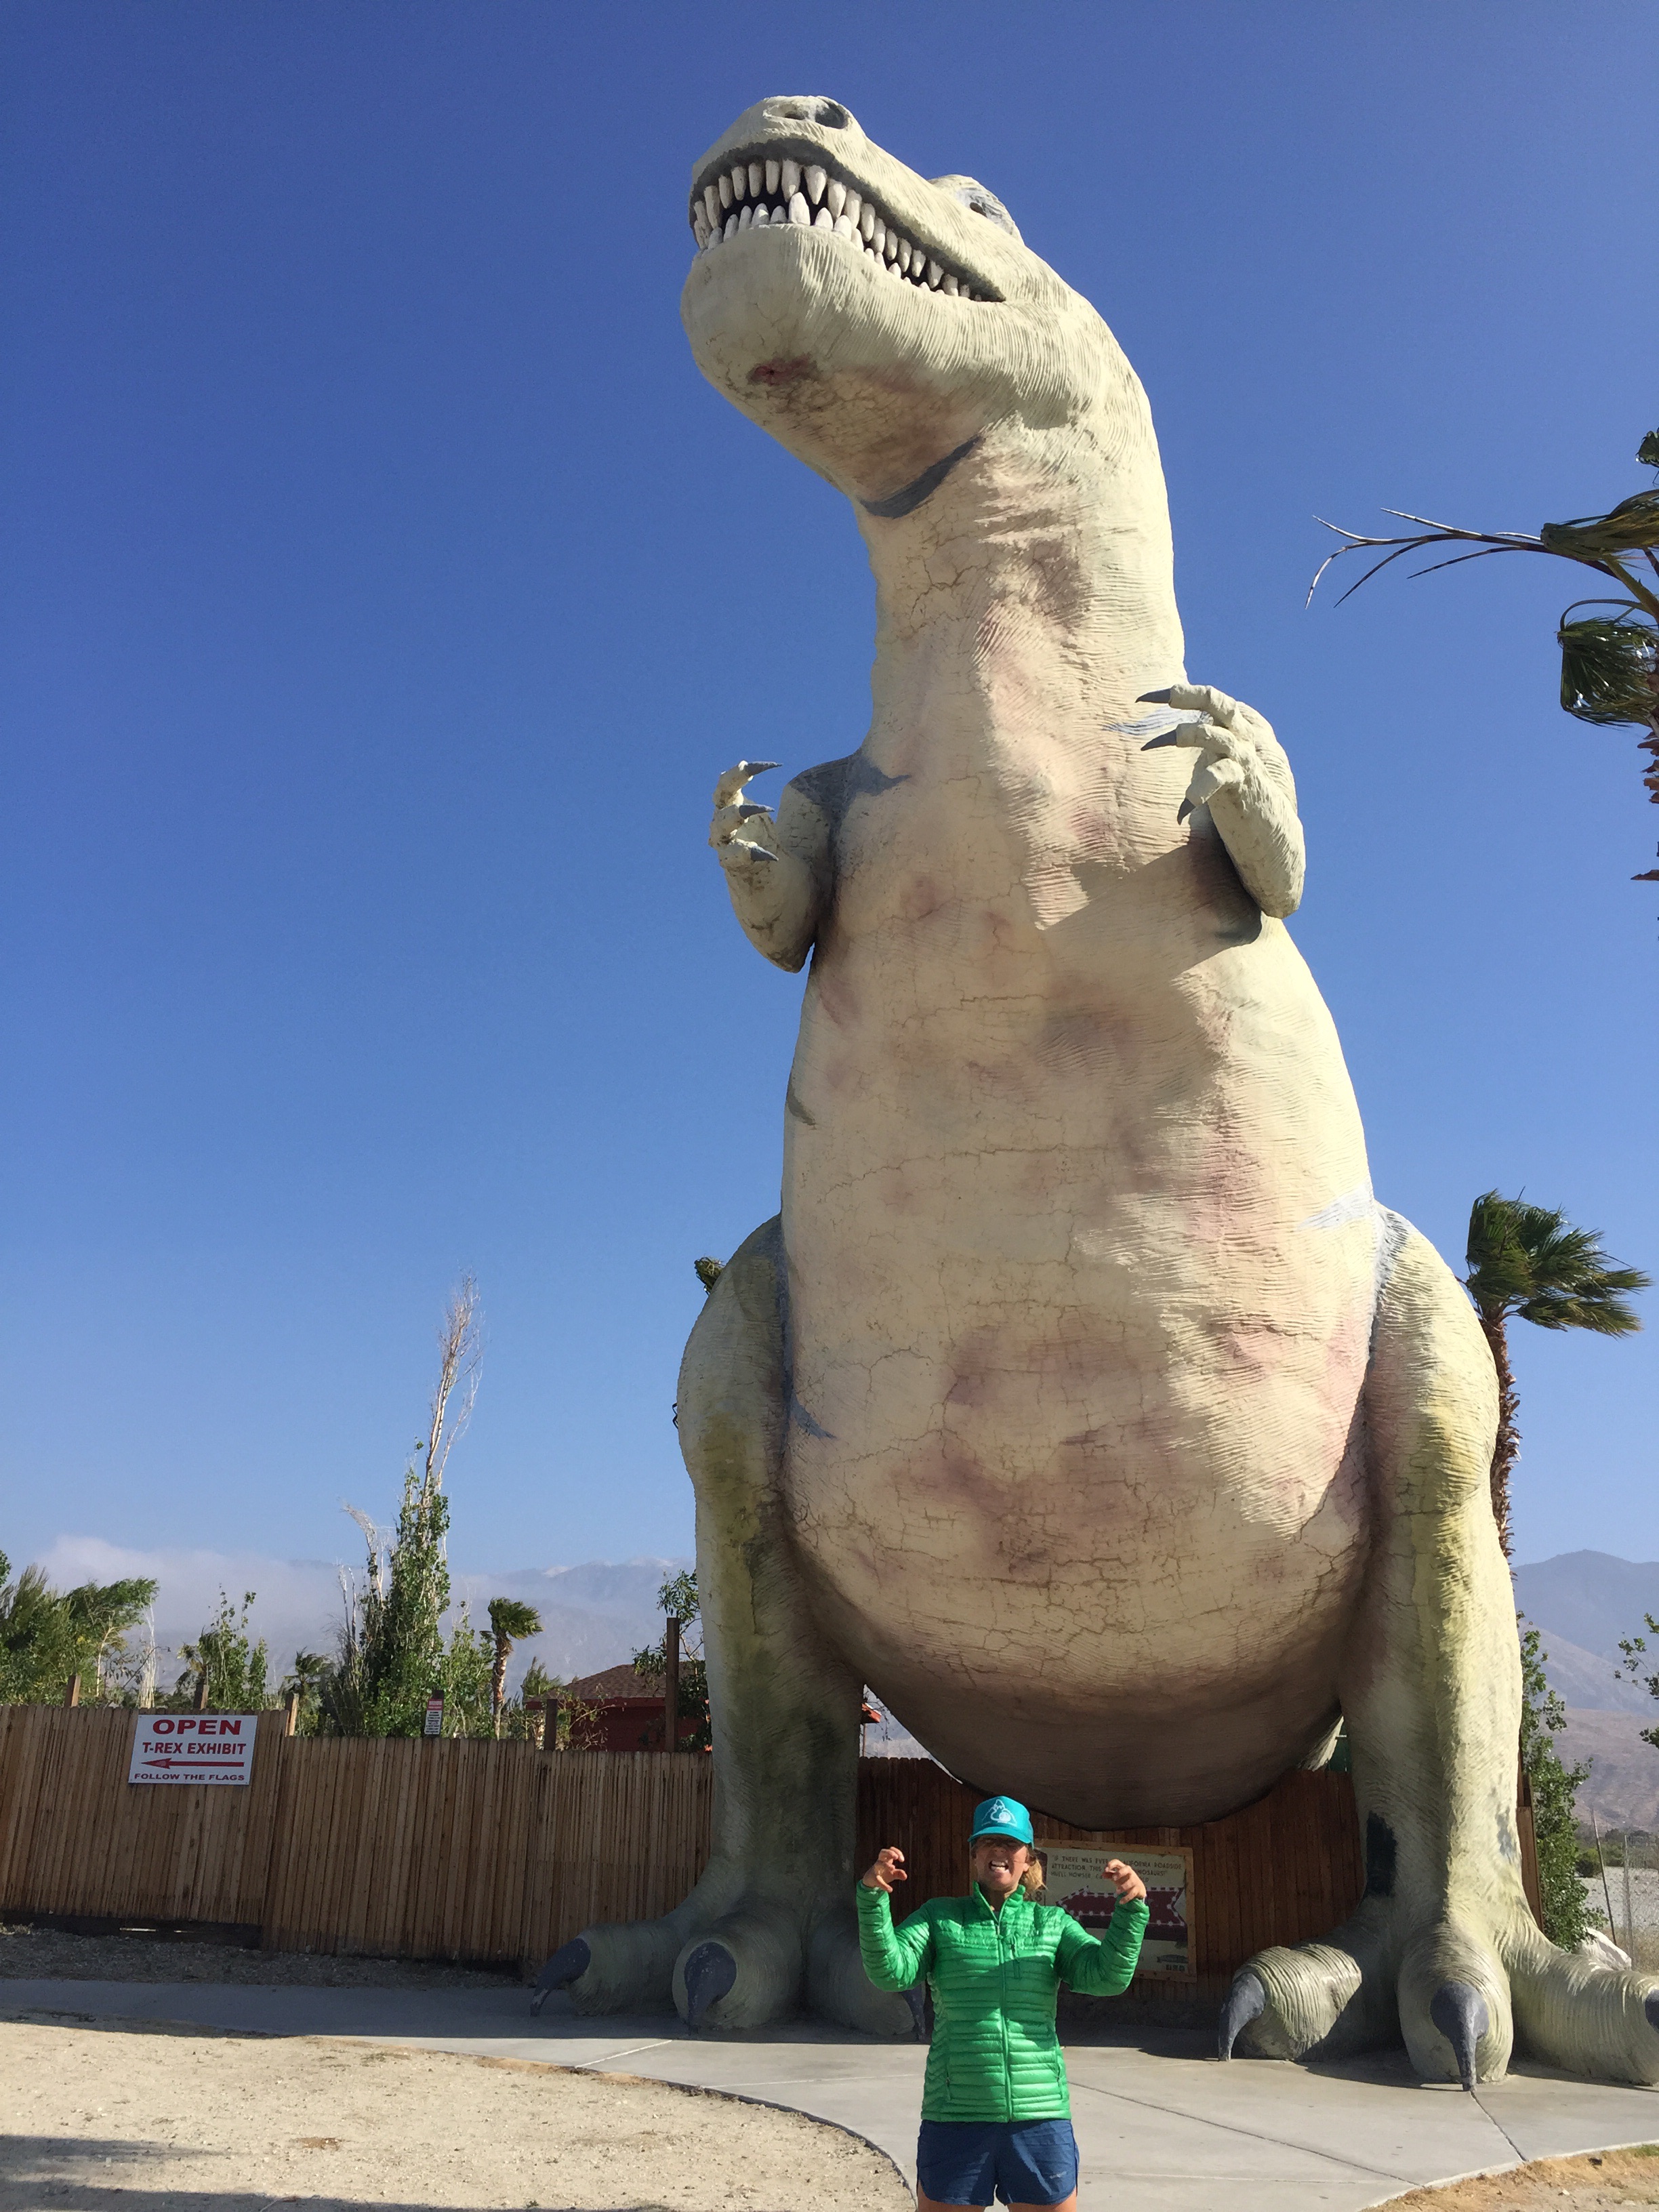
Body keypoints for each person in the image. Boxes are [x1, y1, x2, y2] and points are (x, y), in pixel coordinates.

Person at [858, 1795, 1148, 2212]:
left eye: (1011, 1843)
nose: (999, 1850)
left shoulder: (1051, 1923)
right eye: (988, 1841)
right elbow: (891, 1972)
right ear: (974, 1854)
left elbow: (1106, 1977)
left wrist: (1131, 1911)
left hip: (1040, 2117)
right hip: (956, 2116)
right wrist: (872, 1898)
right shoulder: (939, 1918)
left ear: (1027, 1859)